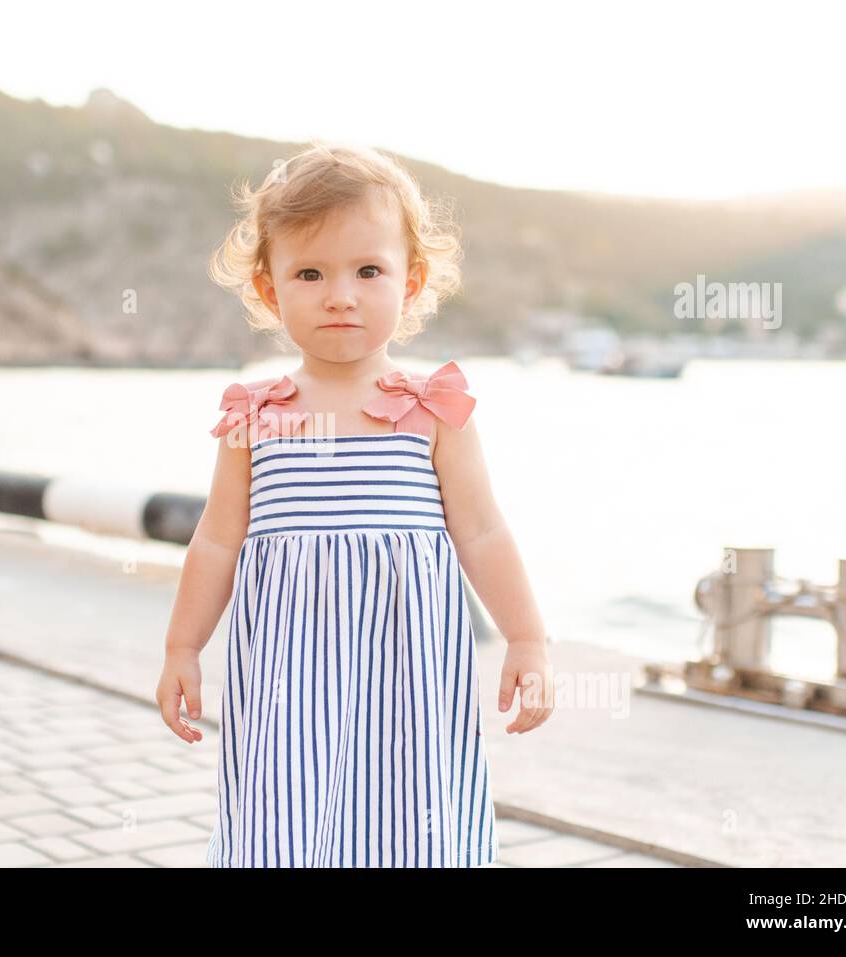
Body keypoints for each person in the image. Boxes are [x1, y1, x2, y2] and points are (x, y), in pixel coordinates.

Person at [155, 141, 553, 868]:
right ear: (271, 289)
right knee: (279, 819)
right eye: (310, 272)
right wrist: (182, 648)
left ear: (412, 279)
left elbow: (484, 532)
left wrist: (527, 638)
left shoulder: (432, 410)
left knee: (409, 820)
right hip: (284, 682)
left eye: (369, 270)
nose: (341, 294)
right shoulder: (255, 415)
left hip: (406, 681)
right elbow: (216, 541)